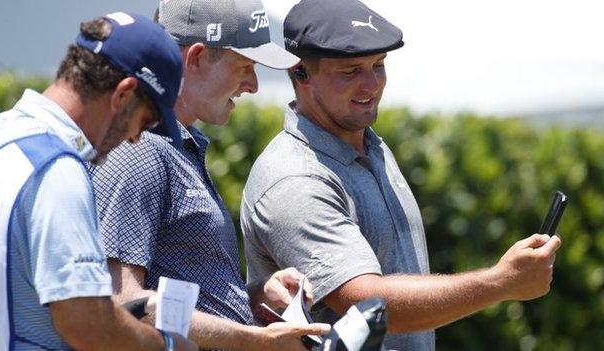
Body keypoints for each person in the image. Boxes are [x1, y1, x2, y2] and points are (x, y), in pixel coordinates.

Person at [240, 0, 563, 350]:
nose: (371, 85)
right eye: (350, 72)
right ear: (299, 72)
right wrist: (500, 283)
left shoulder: (369, 143)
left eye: (378, 65)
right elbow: (366, 303)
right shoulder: (295, 179)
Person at [90, 0, 329, 350]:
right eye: (246, 66)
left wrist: (257, 296)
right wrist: (254, 340)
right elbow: (122, 302)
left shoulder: (178, 146)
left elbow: (182, 302)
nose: (253, 85)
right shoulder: (139, 152)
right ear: (196, 58)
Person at [0, 13, 195, 350]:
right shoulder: (56, 169)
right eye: (147, 121)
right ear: (124, 94)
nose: (138, 138)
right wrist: (165, 345)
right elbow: (85, 324)